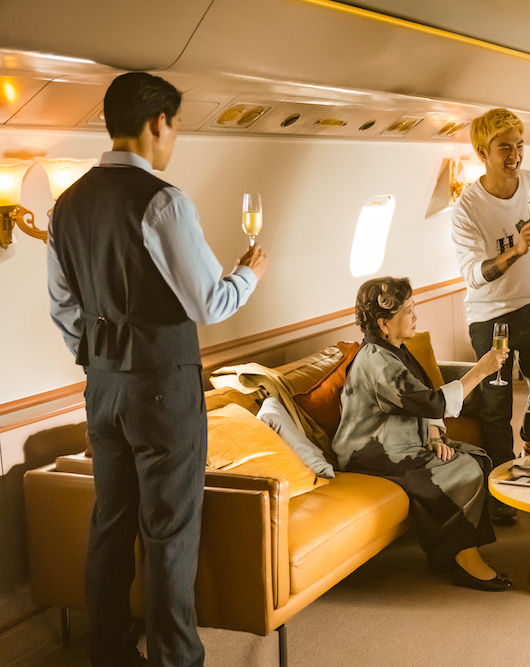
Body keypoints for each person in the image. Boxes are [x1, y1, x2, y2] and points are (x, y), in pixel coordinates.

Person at [47, 72, 267, 666]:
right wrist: (250, 273)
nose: (173, 139)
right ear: (156, 123)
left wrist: (102, 358)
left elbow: (64, 309)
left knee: (111, 523)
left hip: (102, 387)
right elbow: (210, 303)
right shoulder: (164, 202)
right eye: (175, 127)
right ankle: (176, 660)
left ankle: (110, 653)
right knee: (169, 531)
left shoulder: (65, 205)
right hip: (163, 387)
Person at [332, 277, 512, 591]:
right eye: (408, 311)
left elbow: (418, 399)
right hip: (372, 454)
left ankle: (449, 553)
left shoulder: (395, 350)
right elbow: (433, 402)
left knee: (477, 457)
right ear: (384, 323)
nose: (415, 316)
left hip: (401, 442)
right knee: (464, 470)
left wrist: (434, 435)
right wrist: (481, 370)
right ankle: (466, 560)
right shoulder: (379, 363)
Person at [451, 108, 530, 526]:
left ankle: (529, 458)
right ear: (483, 152)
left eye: (520, 145)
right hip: (491, 318)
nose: (516, 155)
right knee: (495, 408)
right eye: (505, 147)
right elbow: (473, 274)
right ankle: (502, 491)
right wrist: (516, 250)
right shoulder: (467, 207)